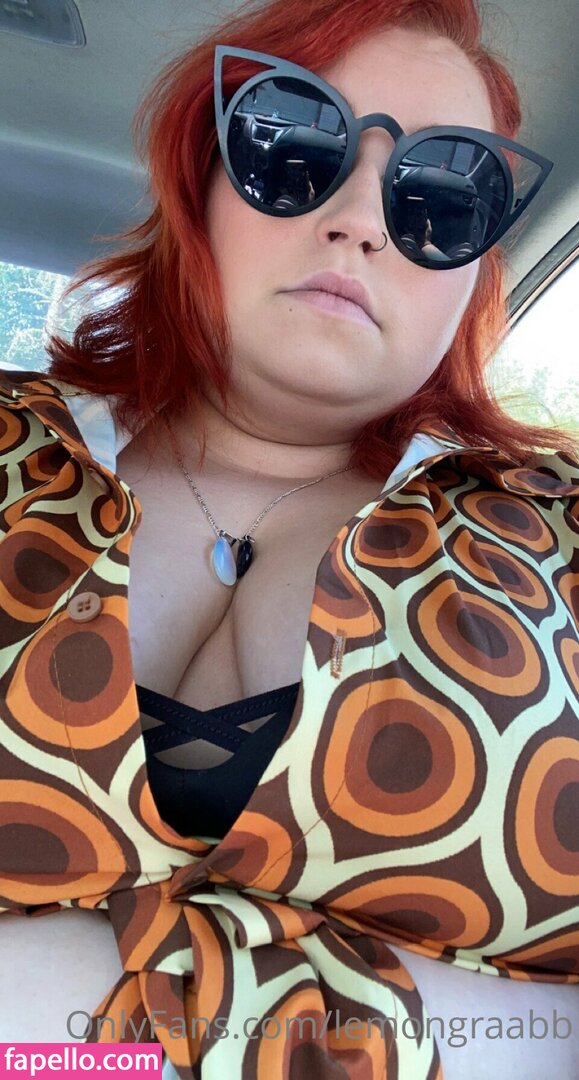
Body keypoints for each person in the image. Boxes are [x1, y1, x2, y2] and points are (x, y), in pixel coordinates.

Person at [0, 0, 578, 1077]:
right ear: (200, 185)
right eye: (295, 144)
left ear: (473, 276)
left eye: (444, 193)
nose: (359, 219)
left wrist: (61, 1030)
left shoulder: (564, 525)